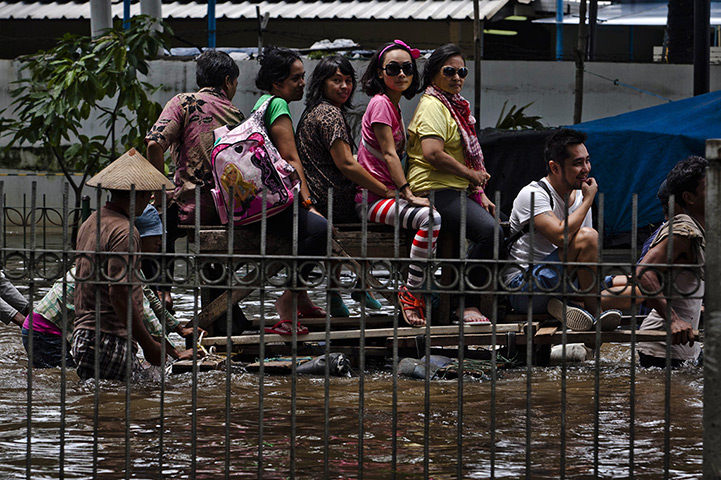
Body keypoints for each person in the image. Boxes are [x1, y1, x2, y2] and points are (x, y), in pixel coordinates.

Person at [21, 205, 196, 369]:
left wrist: (180, 329)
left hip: (42, 327)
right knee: (68, 380)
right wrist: (176, 353)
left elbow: (151, 300)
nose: (160, 241)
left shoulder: (129, 264)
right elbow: (146, 314)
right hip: (44, 330)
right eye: (155, 235)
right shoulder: (122, 264)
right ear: (139, 237)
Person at [145, 50, 245, 311]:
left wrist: (159, 194)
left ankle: (161, 290)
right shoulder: (237, 115)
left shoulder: (184, 102)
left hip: (189, 209)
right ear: (227, 81)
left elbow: (155, 144)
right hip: (229, 212)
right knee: (213, 261)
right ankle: (221, 312)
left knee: (150, 219)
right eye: (235, 83)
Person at [296, 55, 395, 317]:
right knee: (372, 207)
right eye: (336, 80)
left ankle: (336, 292)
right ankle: (363, 284)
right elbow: (347, 165)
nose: (344, 86)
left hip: (319, 197)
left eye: (348, 81)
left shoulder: (312, 112)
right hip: (333, 197)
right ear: (322, 83)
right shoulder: (330, 114)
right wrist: (385, 190)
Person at [406, 43, 496, 325]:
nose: (457, 77)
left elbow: (466, 156)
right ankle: (466, 304)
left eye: (462, 72)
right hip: (434, 189)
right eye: (449, 71)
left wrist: (479, 193)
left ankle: (493, 295)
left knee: (507, 226)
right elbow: (433, 153)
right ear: (434, 75)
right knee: (490, 233)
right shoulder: (433, 106)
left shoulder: (455, 107)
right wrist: (471, 177)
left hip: (457, 189)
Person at [354, 40, 439, 327]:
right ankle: (410, 292)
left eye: (407, 68)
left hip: (387, 197)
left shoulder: (393, 106)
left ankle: (418, 290)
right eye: (393, 68)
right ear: (380, 73)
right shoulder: (380, 104)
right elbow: (390, 153)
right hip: (371, 200)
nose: (401, 73)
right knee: (431, 219)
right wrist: (407, 193)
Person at [72, 148, 174, 381]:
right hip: (107, 339)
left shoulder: (91, 221)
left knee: (105, 407)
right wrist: (149, 344)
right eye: (147, 195)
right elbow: (119, 293)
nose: (149, 200)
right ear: (137, 194)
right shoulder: (125, 231)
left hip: (84, 337)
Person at [504, 128, 621, 331]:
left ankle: (565, 306)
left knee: (637, 286)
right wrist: (589, 200)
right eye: (577, 163)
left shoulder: (580, 198)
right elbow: (562, 236)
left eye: (587, 160)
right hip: (525, 288)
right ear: (555, 167)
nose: (586, 168)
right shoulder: (532, 194)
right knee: (588, 237)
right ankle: (594, 316)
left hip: (565, 284)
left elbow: (586, 256)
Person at [252, 45, 329, 334]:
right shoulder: (278, 105)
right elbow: (290, 158)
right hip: (276, 202)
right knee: (319, 229)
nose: (302, 83)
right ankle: (287, 300)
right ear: (277, 83)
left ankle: (302, 297)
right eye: (296, 78)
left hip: (261, 201)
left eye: (303, 76)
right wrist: (308, 201)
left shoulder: (260, 103)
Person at [637, 156, 707, 368]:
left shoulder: (699, 228)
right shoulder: (682, 230)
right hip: (662, 348)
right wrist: (674, 319)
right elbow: (643, 272)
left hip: (686, 347)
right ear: (689, 197)